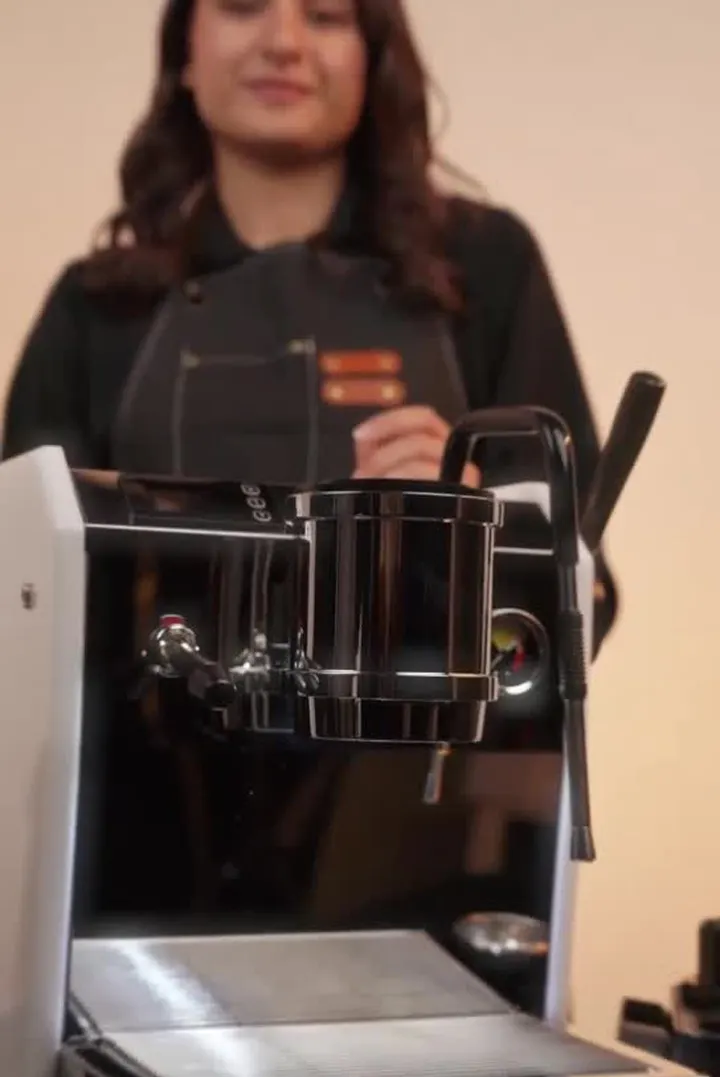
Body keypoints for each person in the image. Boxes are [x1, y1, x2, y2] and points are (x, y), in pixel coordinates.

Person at [1, 0, 616, 644]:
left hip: (417, 714)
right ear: (186, 50)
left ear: (372, 57)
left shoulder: (486, 266)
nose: (284, 43)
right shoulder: (96, 305)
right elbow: (21, 597)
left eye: (324, 16)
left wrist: (469, 528)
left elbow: (576, 605)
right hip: (154, 712)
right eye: (243, 7)